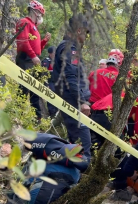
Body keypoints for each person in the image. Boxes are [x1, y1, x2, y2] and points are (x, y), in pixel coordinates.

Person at [52, 15, 91, 159]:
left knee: (77, 142)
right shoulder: (70, 48)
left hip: (72, 99)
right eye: (86, 32)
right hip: (73, 101)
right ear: (79, 30)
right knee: (82, 145)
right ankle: (80, 173)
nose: (86, 37)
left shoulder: (69, 47)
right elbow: (70, 77)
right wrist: (81, 101)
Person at [16, 1, 51, 120]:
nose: (41, 17)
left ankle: (37, 118)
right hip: (26, 59)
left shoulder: (33, 26)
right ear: (36, 12)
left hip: (32, 59)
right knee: (24, 88)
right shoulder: (24, 22)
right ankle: (17, 115)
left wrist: (44, 41)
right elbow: (23, 42)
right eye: (41, 13)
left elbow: (36, 49)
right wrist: (32, 56)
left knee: (35, 90)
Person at [41, 46, 58, 117]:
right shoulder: (46, 61)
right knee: (51, 97)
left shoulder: (58, 61)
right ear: (50, 53)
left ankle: (56, 113)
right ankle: (52, 113)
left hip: (57, 83)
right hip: (50, 82)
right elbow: (43, 73)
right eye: (54, 53)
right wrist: (46, 84)